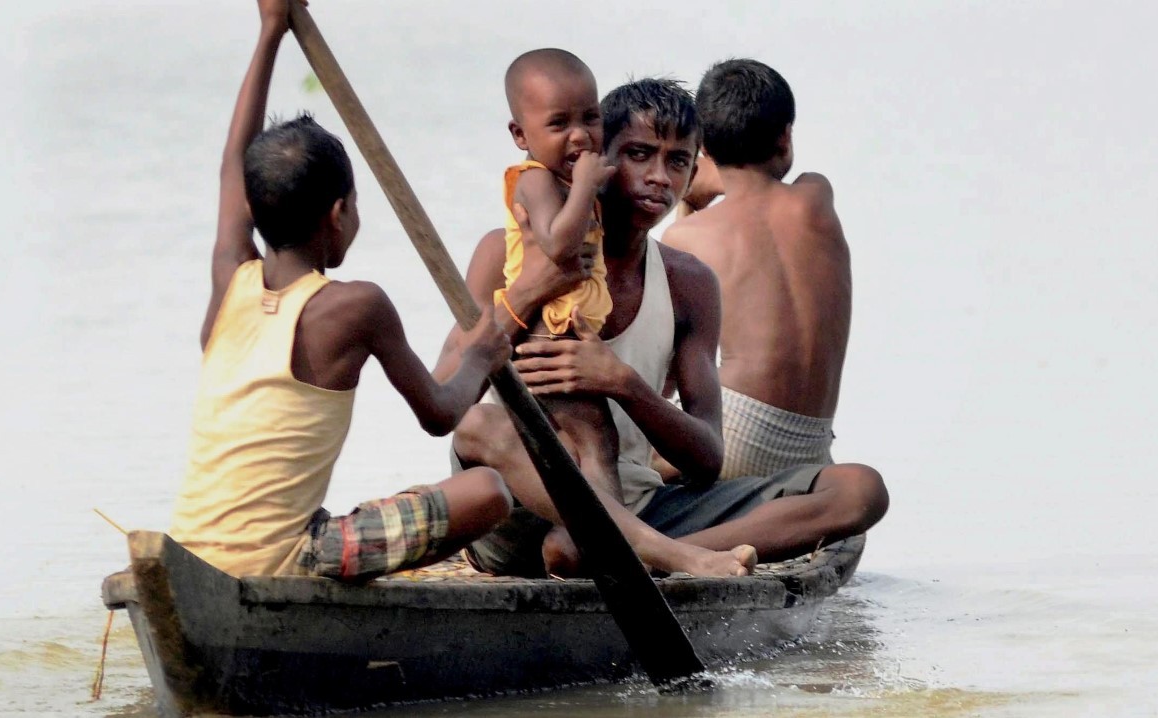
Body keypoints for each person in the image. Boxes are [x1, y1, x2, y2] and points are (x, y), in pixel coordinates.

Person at [441, 78, 888, 579]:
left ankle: (633, 551)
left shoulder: (688, 282)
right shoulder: (509, 252)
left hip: (636, 502)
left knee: (859, 490)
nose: (659, 177)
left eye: (677, 162)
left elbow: (707, 460)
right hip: (523, 505)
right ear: (596, 157)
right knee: (480, 424)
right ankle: (662, 556)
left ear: (696, 170)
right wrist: (527, 292)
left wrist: (623, 383)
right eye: (638, 154)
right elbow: (447, 397)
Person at [167, 0, 512, 582]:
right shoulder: (357, 306)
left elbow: (233, 165)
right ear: (340, 212)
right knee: (488, 492)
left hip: (192, 552)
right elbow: (439, 414)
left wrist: (270, 31)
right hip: (287, 559)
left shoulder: (231, 279)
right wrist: (481, 353)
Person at [664, 58, 850, 479]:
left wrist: (690, 200)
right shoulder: (817, 196)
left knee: (632, 451)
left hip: (737, 430)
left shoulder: (688, 237)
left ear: (704, 149)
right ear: (785, 136)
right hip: (812, 442)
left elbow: (675, 356)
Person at [492, 48, 621, 518]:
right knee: (593, 439)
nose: (581, 136)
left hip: (563, 336)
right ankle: (615, 544)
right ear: (520, 134)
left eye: (591, 118)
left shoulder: (562, 184)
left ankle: (595, 540)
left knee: (592, 441)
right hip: (547, 339)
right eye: (560, 123)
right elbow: (557, 245)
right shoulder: (534, 182)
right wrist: (587, 185)